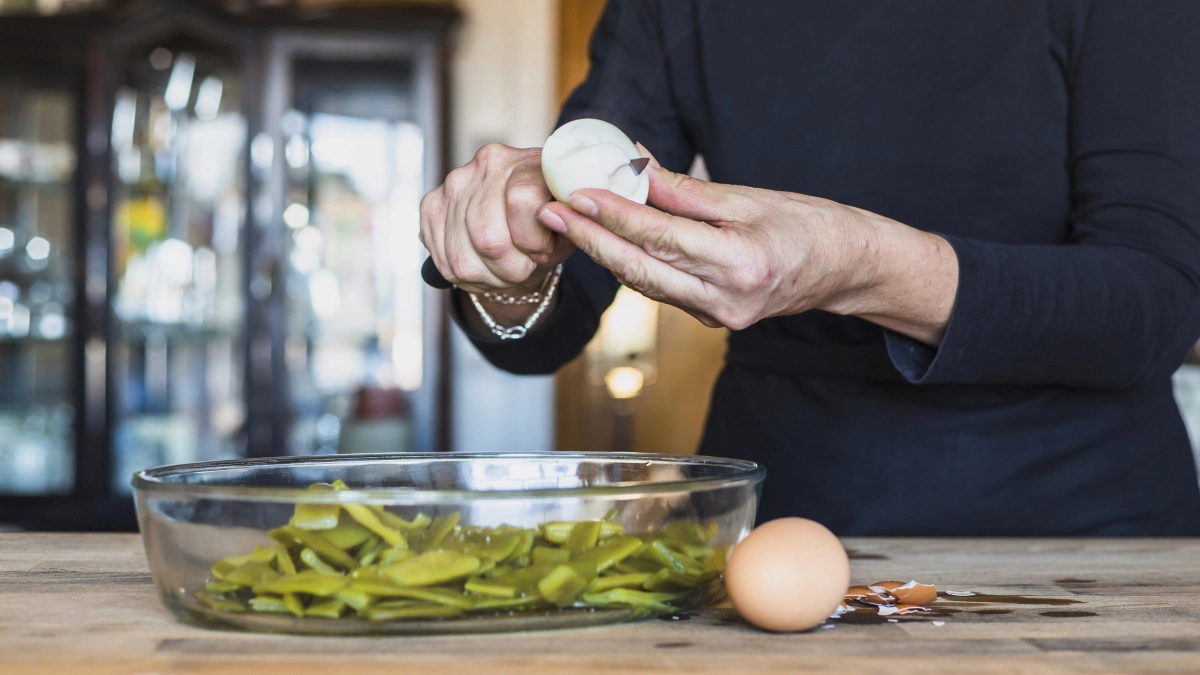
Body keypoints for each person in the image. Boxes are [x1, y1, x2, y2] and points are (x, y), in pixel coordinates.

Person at [419, 1, 1200, 535]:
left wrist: (859, 265)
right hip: (786, 507)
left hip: (1085, 530)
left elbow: (1158, 298)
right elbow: (555, 300)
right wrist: (507, 260)